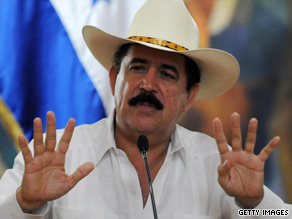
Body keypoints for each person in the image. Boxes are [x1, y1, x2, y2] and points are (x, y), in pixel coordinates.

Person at [0, 0, 291, 218]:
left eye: (166, 74)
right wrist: (26, 203)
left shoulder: (217, 164)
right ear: (115, 79)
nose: (148, 84)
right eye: (138, 68)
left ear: (189, 97)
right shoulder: (56, 156)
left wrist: (256, 203)